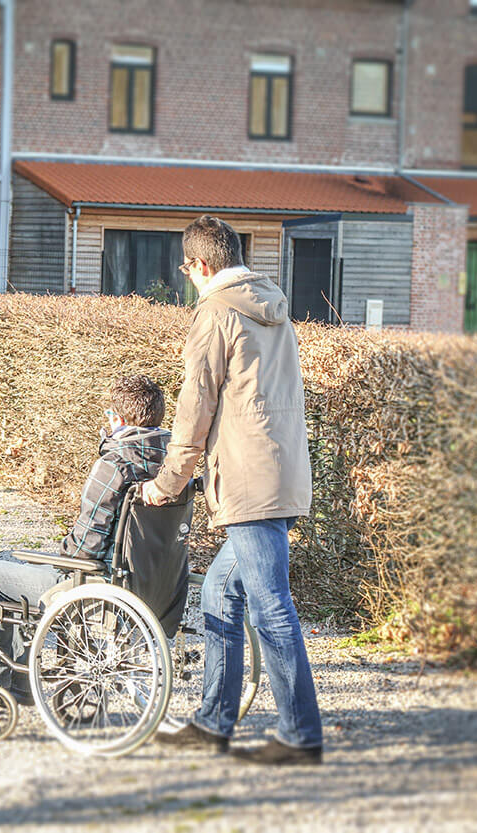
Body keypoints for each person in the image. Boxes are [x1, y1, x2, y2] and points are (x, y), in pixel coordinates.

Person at [143, 215, 323, 765]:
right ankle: (212, 723)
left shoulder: (216, 313)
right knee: (222, 592)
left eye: (186, 270)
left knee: (272, 606)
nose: (188, 278)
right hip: (283, 471)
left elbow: (194, 407)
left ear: (199, 265)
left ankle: (300, 735)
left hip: (248, 480)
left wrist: (167, 481)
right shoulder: (274, 309)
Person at [0, 374, 171, 700]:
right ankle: (19, 685)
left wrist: (56, 555)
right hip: (155, 586)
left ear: (119, 419)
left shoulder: (115, 465)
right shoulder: (173, 466)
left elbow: (84, 547)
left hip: (99, 586)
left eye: (109, 415)